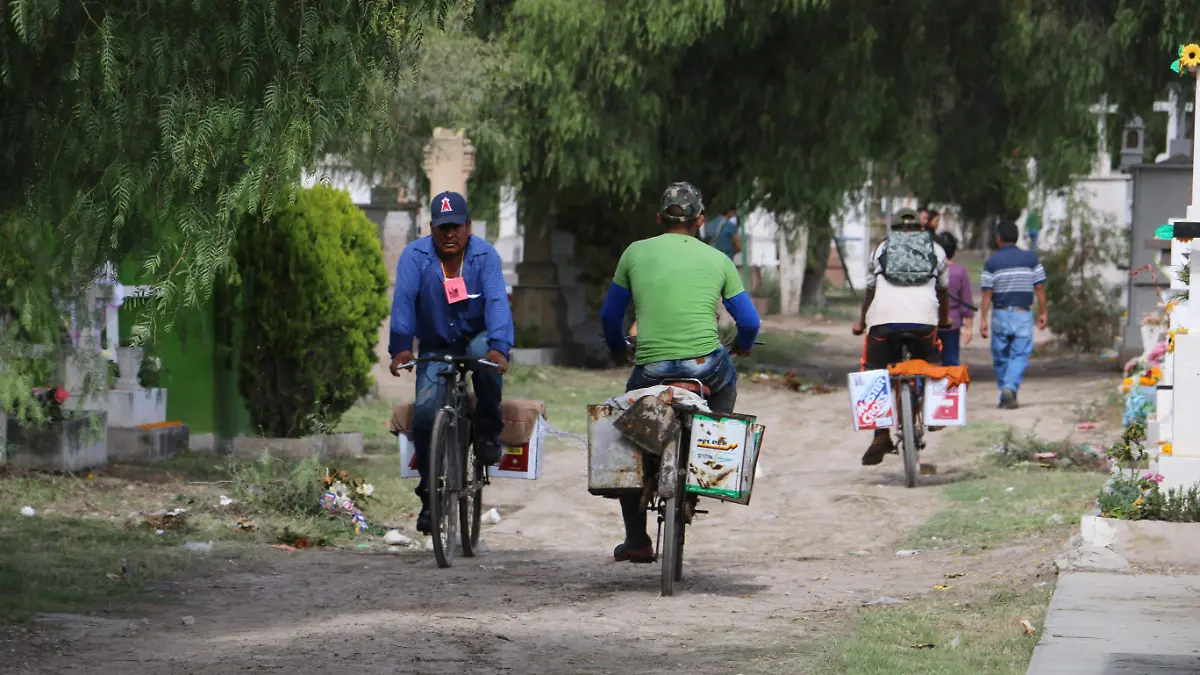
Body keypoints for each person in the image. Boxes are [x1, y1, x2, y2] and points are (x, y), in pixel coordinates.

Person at [599, 182, 761, 563]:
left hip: (651, 368)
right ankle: (712, 453)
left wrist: (619, 347)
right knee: (727, 379)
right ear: (700, 221)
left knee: (628, 429)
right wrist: (743, 345)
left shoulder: (634, 253)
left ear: (659, 219)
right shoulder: (718, 259)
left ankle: (637, 539)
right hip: (705, 366)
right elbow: (749, 322)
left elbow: (610, 316)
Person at [388, 190, 514, 534]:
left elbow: (496, 302)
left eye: (456, 227)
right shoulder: (415, 256)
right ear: (431, 228)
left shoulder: (485, 256)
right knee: (427, 413)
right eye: (442, 228)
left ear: (468, 227)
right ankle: (430, 495)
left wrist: (500, 348)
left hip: (477, 337)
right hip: (435, 342)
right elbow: (403, 301)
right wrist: (401, 346)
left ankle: (488, 433)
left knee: (484, 362)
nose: (449, 234)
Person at [852, 208, 951, 465]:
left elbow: (870, 293)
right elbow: (942, 293)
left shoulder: (880, 250)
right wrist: (946, 319)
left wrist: (862, 321)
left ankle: (881, 434)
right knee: (934, 357)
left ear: (892, 229)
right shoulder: (936, 250)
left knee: (873, 369)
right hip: (924, 323)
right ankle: (936, 411)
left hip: (884, 323)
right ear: (921, 227)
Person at [979, 219, 1047, 410]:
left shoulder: (991, 263)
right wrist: (1043, 312)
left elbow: (987, 293)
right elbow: (1040, 288)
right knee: (1019, 355)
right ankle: (1009, 389)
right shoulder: (1031, 259)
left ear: (998, 239)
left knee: (1000, 355)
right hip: (1022, 313)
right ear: (1016, 238)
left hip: (1000, 314)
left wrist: (983, 319)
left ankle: (1006, 391)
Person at [935, 232, 974, 366]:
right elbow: (966, 301)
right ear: (954, 251)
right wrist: (968, 327)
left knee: (930, 362)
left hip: (931, 322)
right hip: (953, 323)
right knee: (951, 362)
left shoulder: (931, 271)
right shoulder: (960, 271)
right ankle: (950, 386)